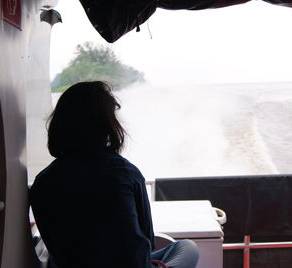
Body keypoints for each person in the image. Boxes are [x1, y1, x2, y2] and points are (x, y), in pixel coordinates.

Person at [30, 81, 199, 268]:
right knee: (187, 247)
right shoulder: (124, 173)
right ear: (106, 126)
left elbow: (53, 243)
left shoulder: (43, 182)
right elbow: (147, 240)